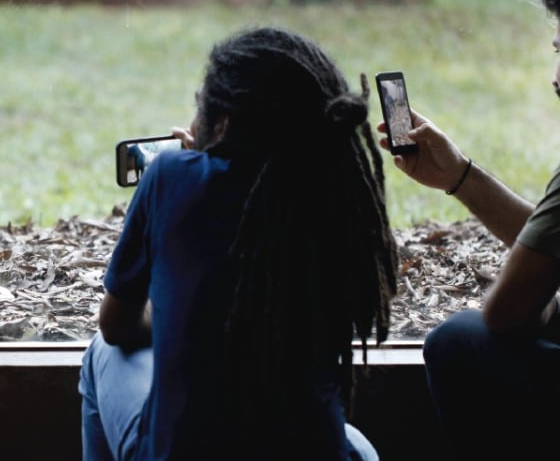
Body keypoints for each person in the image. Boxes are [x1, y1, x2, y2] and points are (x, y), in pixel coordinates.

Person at [80, 26, 399, 461]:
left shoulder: (172, 177)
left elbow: (117, 325)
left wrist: (196, 163)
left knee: (101, 354)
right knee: (358, 447)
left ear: (222, 121)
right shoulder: (338, 195)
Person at [380, 0, 560, 460]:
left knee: (458, 340)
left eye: (558, 48)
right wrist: (461, 177)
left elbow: (504, 314)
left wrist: (533, 285)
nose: (555, 74)